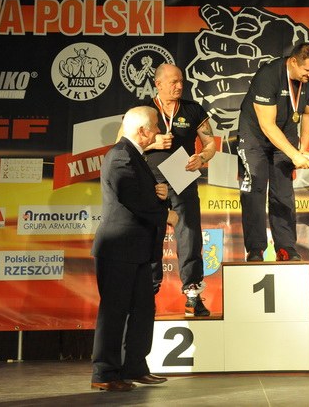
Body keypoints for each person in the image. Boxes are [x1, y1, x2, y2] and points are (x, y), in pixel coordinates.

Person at [91, 106, 177, 392]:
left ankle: (135, 367)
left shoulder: (135, 156)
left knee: (143, 309)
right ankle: (105, 373)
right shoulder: (120, 156)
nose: (158, 132)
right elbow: (133, 198)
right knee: (114, 312)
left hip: (137, 248)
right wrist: (166, 214)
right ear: (142, 130)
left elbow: (145, 195)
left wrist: (161, 195)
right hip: (119, 248)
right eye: (155, 126)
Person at [237, 42, 309, 261]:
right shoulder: (268, 75)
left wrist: (302, 148)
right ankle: (255, 249)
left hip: (286, 132)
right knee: (254, 190)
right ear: (293, 61)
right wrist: (293, 154)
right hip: (255, 135)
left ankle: (286, 247)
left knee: (283, 191)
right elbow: (267, 125)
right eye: (307, 70)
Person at [143, 63, 217, 317]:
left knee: (190, 234)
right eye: (173, 82)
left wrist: (202, 157)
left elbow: (210, 143)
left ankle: (192, 295)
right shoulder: (144, 110)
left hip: (181, 174)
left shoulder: (192, 109)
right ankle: (147, 294)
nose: (179, 86)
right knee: (150, 234)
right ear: (158, 84)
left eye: (181, 81)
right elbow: (124, 141)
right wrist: (153, 143)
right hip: (150, 178)